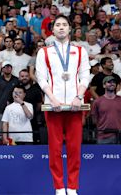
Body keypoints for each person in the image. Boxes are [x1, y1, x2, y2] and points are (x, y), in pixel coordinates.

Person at [36, 15, 90, 195]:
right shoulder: (44, 52)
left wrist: (78, 96)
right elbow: (41, 78)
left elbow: (85, 75)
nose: (61, 27)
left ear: (69, 29)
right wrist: (51, 98)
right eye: (57, 25)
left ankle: (73, 187)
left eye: (64, 25)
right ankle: (59, 187)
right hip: (54, 105)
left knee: (75, 149)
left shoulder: (80, 51)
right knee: (55, 149)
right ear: (53, 30)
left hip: (75, 106)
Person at [91, 76, 121, 144]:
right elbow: (94, 119)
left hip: (119, 136)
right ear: (104, 85)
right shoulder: (97, 101)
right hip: (103, 137)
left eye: (114, 82)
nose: (112, 84)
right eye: (109, 82)